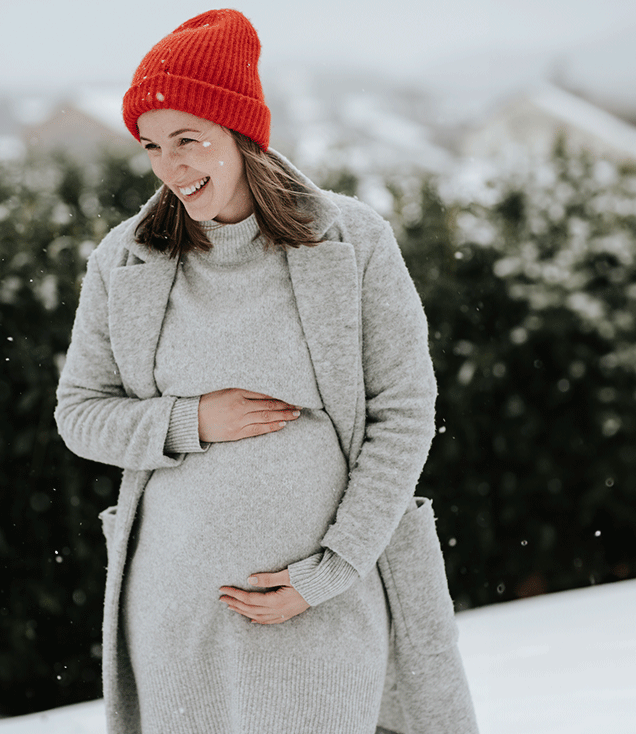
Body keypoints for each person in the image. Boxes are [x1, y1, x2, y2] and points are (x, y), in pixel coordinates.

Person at [55, 9, 476, 734]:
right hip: (174, 611)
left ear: (241, 132)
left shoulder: (354, 241)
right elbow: (79, 412)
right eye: (153, 146)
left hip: (320, 603)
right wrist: (188, 420)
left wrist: (329, 571)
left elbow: (403, 411)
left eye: (189, 140)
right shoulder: (124, 261)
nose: (172, 167)